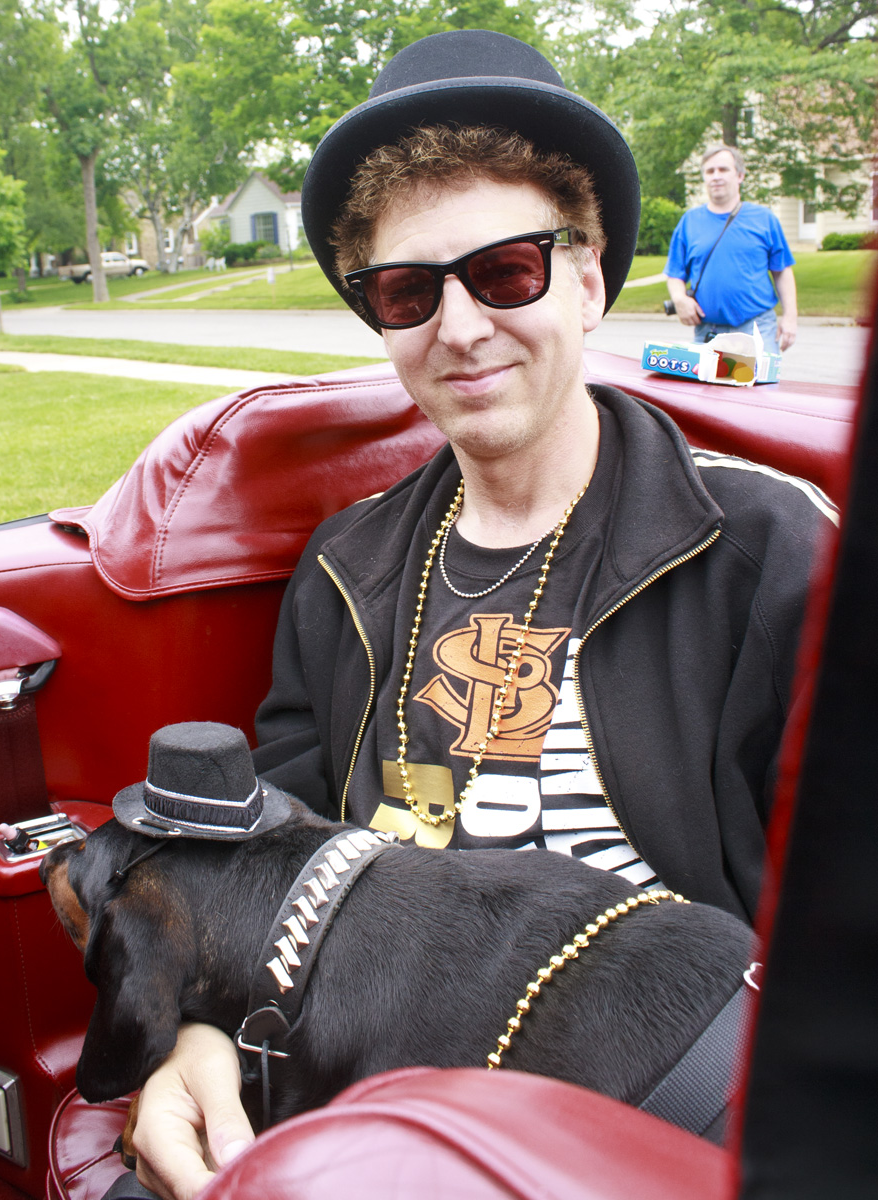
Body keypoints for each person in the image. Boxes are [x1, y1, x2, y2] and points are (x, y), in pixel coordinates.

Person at [122, 31, 835, 1200]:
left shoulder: (761, 554)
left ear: (590, 277)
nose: (458, 327)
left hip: (669, 1112)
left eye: (505, 270)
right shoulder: (346, 569)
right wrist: (203, 1039)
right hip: (372, 1105)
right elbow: (275, 861)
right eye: (408, 291)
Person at [664, 143, 798, 354]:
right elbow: (674, 274)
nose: (716, 176)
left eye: (723, 169)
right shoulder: (689, 221)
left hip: (757, 328)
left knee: (760, 387)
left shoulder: (764, 219)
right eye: (710, 171)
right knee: (706, 388)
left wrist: (790, 317)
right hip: (708, 332)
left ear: (740, 176)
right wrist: (680, 299)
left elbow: (782, 271)